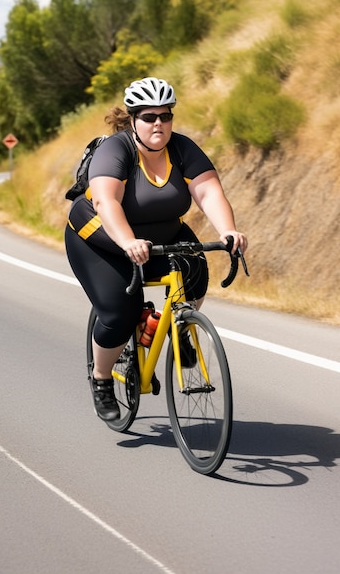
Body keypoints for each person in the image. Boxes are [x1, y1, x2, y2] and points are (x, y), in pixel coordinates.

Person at [65, 77, 248, 422]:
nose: (159, 124)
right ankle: (102, 378)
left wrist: (228, 230)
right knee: (121, 312)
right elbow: (106, 202)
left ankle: (180, 326)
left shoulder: (181, 148)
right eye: (149, 117)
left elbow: (208, 193)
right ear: (133, 119)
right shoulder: (116, 150)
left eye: (165, 116)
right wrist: (127, 242)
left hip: (162, 232)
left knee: (194, 274)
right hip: (100, 236)